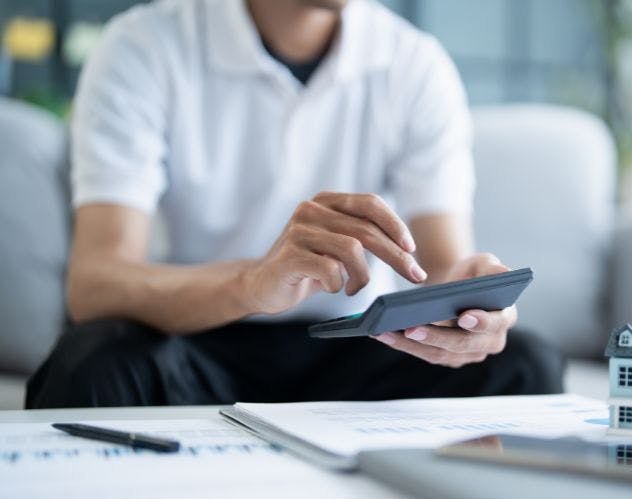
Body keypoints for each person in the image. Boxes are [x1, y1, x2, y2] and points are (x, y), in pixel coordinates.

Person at [26, 0, 562, 408]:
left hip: (360, 346)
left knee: (523, 363)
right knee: (87, 364)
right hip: (198, 332)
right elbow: (95, 284)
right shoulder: (144, 44)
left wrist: (469, 307)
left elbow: (442, 268)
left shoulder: (414, 64)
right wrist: (253, 283)